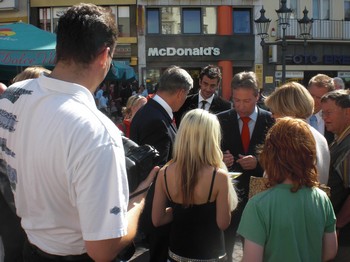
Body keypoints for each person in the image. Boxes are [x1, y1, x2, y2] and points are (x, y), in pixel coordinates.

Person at [0, 4, 157, 261]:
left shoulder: (15, 94)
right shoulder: (97, 132)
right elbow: (103, 249)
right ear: (105, 55)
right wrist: (138, 199)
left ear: (60, 47)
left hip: (27, 248)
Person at [237, 117, 337, 262]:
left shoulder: (258, 205)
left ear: (270, 154)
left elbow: (252, 259)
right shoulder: (322, 199)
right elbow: (330, 252)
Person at [152, 109, 238, 261]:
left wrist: (177, 210)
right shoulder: (218, 176)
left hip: (176, 255)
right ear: (211, 137)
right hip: (211, 255)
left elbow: (157, 219)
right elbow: (223, 223)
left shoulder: (164, 173)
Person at [130, 65, 193, 262]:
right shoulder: (156, 119)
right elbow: (159, 170)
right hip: (157, 207)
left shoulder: (149, 111)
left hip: (150, 204)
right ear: (181, 92)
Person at [216, 71, 274, 261]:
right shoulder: (220, 119)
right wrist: (220, 160)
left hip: (261, 196)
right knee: (226, 246)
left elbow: (278, 158)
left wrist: (259, 163)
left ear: (257, 96)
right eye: (236, 100)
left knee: (259, 248)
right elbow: (209, 155)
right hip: (229, 196)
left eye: (246, 101)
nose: (240, 106)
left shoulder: (271, 120)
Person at [264, 81, 330, 185]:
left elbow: (274, 179)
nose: (272, 116)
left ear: (285, 111)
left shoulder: (287, 136)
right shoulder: (319, 137)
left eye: (274, 112)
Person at [321, 89, 350, 261]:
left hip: (344, 238)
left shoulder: (347, 146)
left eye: (329, 113)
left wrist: (338, 223)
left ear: (348, 113)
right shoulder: (339, 138)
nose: (324, 117)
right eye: (323, 113)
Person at [307, 73, 335, 144]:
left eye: (319, 98)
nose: (313, 100)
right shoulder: (294, 116)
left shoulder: (334, 120)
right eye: (311, 95)